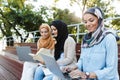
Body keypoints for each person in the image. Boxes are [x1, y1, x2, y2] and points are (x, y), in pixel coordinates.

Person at [63, 7, 119, 80]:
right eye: (85, 22)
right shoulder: (86, 40)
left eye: (91, 20)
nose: (88, 24)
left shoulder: (109, 38)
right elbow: (81, 61)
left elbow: (111, 70)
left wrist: (87, 75)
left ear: (99, 20)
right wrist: (73, 67)